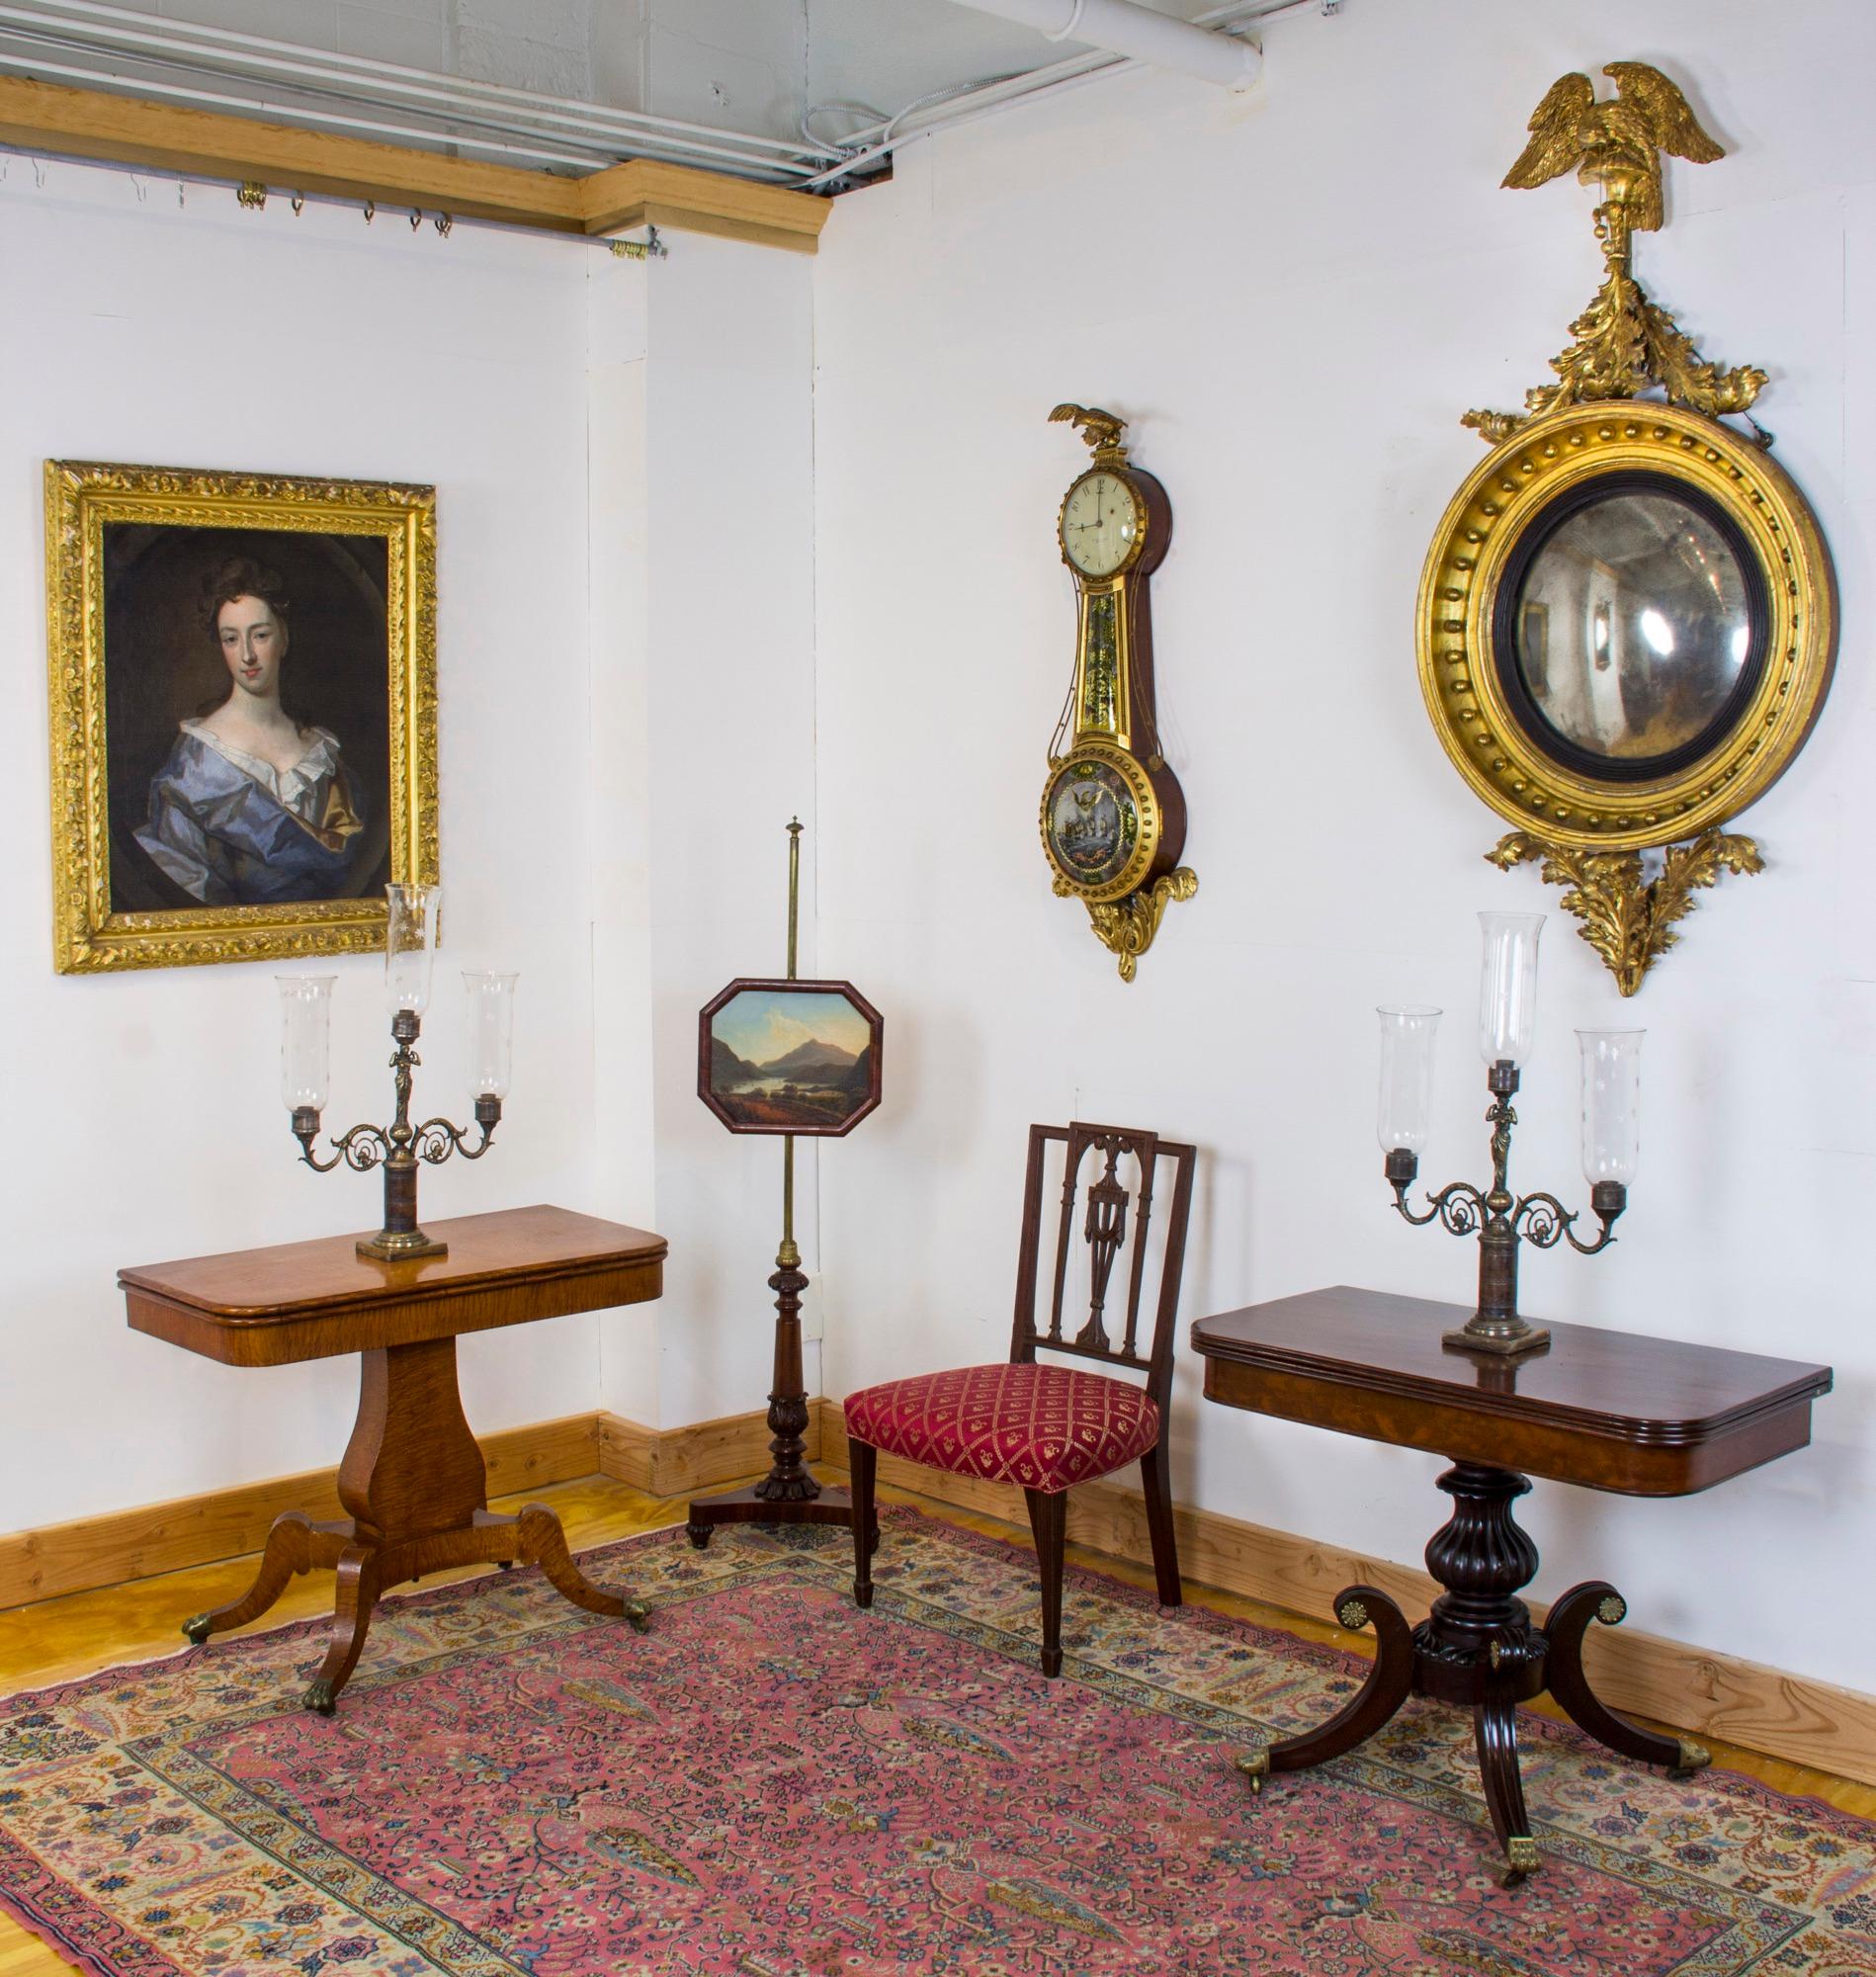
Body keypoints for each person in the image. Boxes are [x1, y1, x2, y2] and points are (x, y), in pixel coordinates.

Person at [134, 557, 369, 905]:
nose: (247, 655)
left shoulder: (323, 754)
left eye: (260, 635)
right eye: (231, 639)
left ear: (283, 639)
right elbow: (187, 877)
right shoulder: (196, 760)